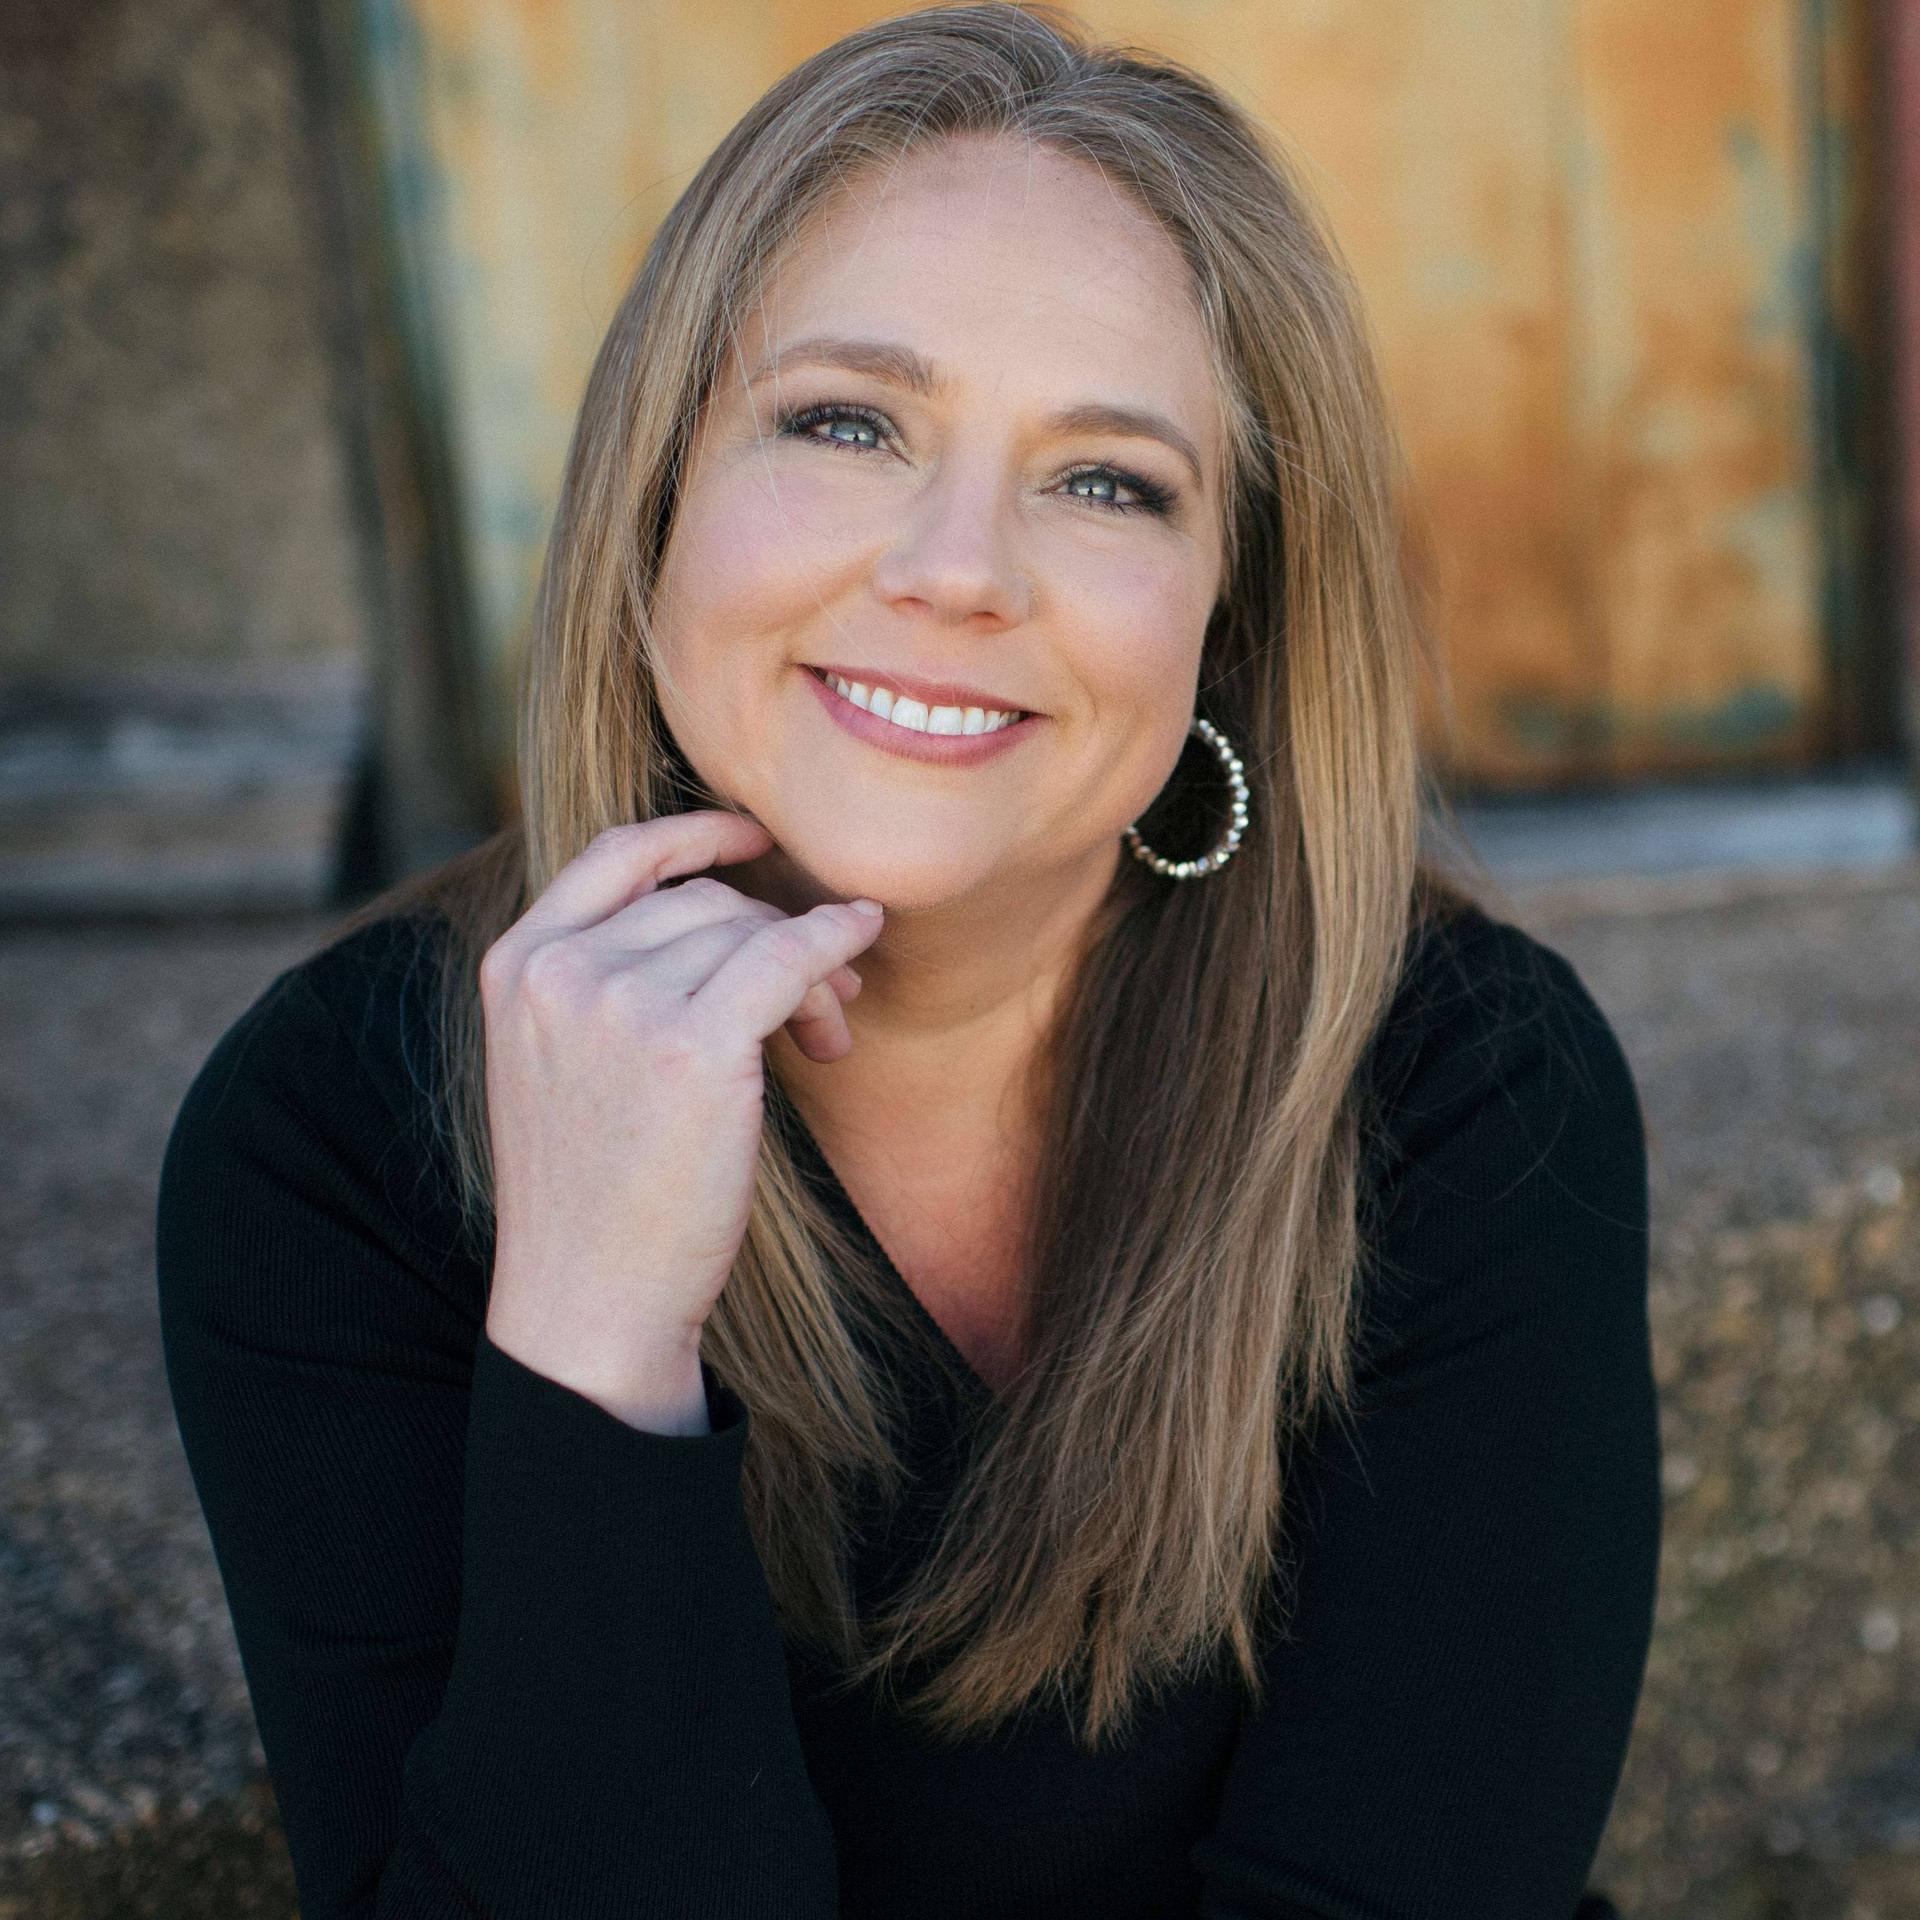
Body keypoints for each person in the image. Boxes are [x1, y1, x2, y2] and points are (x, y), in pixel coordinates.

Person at [155, 6, 1659, 1916]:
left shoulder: (1454, 1081)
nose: (958, 569)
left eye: (1106, 481)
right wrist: (597, 1346)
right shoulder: (337, 1131)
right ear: (654, 500)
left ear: (1228, 616)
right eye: (846, 423)